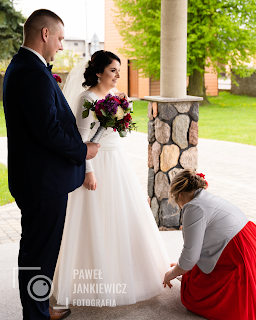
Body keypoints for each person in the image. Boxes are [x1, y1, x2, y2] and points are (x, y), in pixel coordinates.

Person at [3, 9, 100, 320]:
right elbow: (48, 132)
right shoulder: (31, 72)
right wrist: (82, 150)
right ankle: (36, 315)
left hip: (37, 179)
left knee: (39, 252)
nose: (61, 45)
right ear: (45, 34)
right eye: (59, 38)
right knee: (38, 255)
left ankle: (40, 307)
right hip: (42, 183)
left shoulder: (26, 67)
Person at [52, 50, 170, 306]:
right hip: (96, 164)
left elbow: (118, 131)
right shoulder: (87, 98)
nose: (117, 75)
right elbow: (81, 139)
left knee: (122, 217)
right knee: (95, 219)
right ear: (98, 72)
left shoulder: (114, 98)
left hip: (117, 162)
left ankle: (128, 276)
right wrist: (88, 172)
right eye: (113, 70)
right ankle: (92, 284)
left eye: (118, 70)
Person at [163, 169, 256, 320]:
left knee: (192, 294)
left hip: (240, 251)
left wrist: (172, 274)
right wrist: (182, 266)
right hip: (255, 240)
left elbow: (190, 256)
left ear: (179, 194)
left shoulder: (193, 207)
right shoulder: (206, 197)